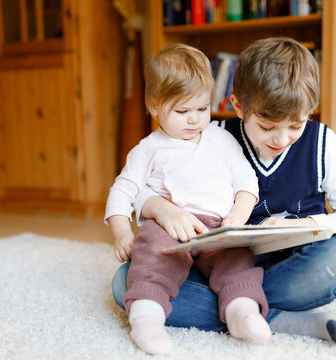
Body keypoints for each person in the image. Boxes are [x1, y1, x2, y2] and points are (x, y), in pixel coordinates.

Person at [111, 37, 336, 345]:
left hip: (288, 264)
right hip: (219, 259)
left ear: (310, 112)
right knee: (123, 282)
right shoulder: (210, 135)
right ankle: (272, 316)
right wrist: (163, 208)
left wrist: (304, 225)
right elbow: (141, 187)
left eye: (296, 125)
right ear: (238, 106)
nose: (282, 138)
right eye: (267, 126)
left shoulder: (323, 143)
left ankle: (243, 304)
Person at [105, 43, 272, 355]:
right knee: (153, 259)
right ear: (154, 106)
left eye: (202, 109)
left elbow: (246, 181)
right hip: (168, 227)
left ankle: (242, 311)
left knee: (237, 261)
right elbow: (122, 191)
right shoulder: (148, 149)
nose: (195, 119)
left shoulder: (221, 139)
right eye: (182, 111)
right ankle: (146, 318)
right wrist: (121, 232)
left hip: (219, 226)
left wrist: (239, 213)